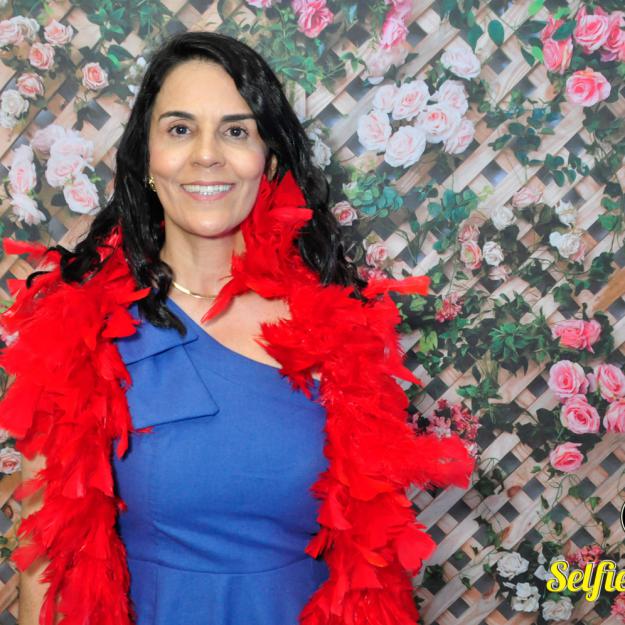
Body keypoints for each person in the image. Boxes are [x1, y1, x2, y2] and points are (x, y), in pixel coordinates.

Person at [0, 32, 473, 625]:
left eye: (235, 130)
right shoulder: (78, 334)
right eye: (179, 129)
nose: (207, 155)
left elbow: (373, 564)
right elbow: (46, 564)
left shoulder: (338, 335)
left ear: (268, 159)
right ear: (146, 158)